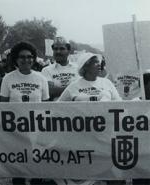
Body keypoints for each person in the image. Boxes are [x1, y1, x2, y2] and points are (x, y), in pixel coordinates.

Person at [58, 53, 122, 185]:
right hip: (82, 139)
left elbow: (119, 105)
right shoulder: (74, 86)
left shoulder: (107, 83)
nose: (99, 65)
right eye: (95, 62)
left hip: (105, 137)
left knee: (111, 175)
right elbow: (58, 108)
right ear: (85, 66)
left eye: (99, 62)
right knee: (86, 175)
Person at [0, 42, 50, 185]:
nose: (26, 60)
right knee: (18, 165)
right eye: (22, 57)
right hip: (16, 128)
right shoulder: (8, 78)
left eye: (29, 57)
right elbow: (3, 106)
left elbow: (46, 105)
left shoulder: (41, 78)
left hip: (37, 127)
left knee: (37, 163)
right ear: (15, 59)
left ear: (34, 59)